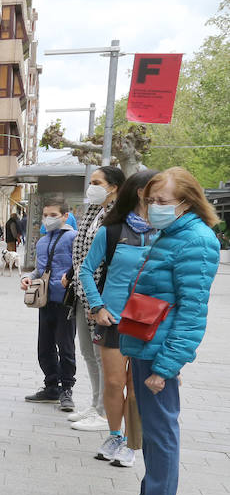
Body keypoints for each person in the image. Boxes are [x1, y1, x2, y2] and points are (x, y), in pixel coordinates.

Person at [104, 168, 220, 495]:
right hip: (146, 345)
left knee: (161, 431)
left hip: (158, 352)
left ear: (187, 202)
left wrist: (167, 366)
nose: (154, 207)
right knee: (153, 431)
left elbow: (192, 312)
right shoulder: (173, 234)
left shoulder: (196, 241)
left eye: (162, 201)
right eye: (151, 200)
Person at [78, 169, 157, 469]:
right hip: (112, 318)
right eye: (155, 191)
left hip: (147, 320)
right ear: (140, 192)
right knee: (113, 383)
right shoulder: (111, 230)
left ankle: (131, 444)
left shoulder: (164, 232)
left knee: (135, 387)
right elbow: (86, 269)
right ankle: (115, 436)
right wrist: (97, 306)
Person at [66, 166, 126, 432]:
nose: (92, 187)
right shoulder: (93, 211)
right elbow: (82, 252)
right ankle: (95, 403)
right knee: (88, 351)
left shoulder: (119, 216)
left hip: (100, 293)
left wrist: (98, 298)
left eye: (97, 182)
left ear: (113, 187)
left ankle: (104, 411)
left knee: (102, 354)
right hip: (82, 291)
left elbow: (109, 259)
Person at [21, 198, 79, 411]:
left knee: (66, 347)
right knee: (44, 347)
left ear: (65, 216)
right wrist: (27, 278)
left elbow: (80, 265)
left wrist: (71, 279)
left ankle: (67, 390)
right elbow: (39, 270)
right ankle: (51, 386)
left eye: (53, 215)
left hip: (66, 302)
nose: (48, 219)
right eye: (45, 215)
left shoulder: (74, 237)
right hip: (45, 301)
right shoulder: (42, 242)